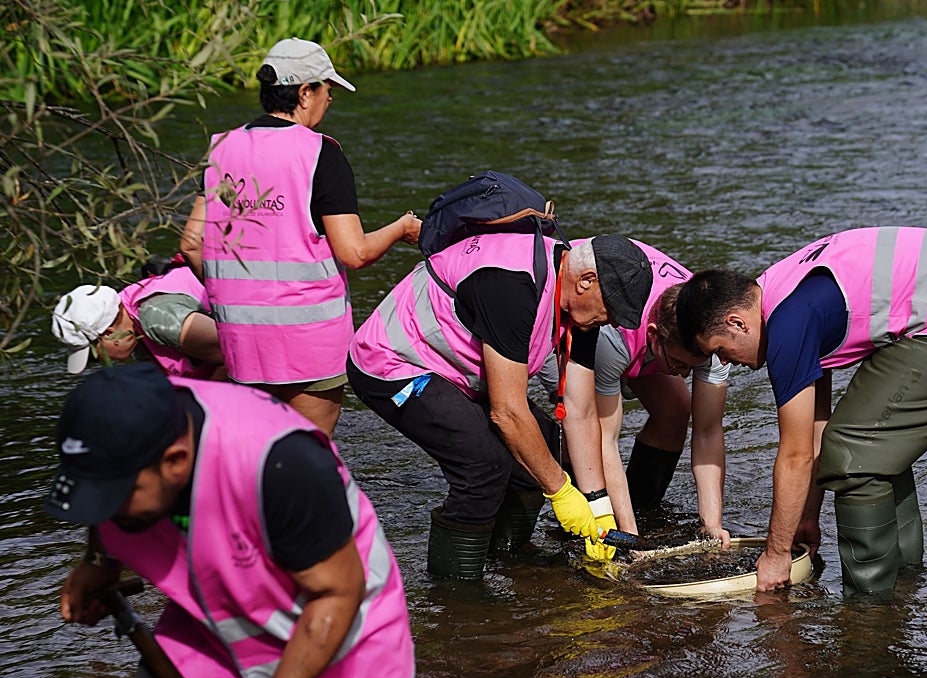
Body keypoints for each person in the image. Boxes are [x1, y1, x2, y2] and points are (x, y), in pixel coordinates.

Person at [46, 364, 448, 678]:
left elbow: (336, 595)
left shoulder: (281, 460)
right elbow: (100, 491)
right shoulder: (123, 424)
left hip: (342, 636)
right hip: (210, 631)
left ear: (175, 461)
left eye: (115, 498)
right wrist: (100, 562)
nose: (105, 510)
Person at [675, 226, 927, 595]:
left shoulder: (788, 325)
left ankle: (870, 611)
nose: (727, 362)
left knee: (853, 451)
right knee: (873, 442)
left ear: (736, 322)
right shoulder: (779, 292)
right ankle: (904, 581)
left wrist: (777, 554)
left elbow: (794, 456)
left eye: (719, 349)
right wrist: (807, 515)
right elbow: (814, 431)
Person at [347, 231, 653, 581]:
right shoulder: (512, 286)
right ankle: (457, 592)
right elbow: (507, 412)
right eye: (613, 311)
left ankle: (507, 560)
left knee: (542, 443)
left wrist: (599, 508)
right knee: (484, 464)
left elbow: (580, 412)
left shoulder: (581, 310)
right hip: (396, 363)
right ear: (586, 281)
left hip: (461, 370)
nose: (613, 323)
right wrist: (561, 490)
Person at [179, 37, 422, 437]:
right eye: (328, 90)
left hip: (241, 341)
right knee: (308, 463)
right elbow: (355, 253)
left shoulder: (220, 148)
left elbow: (191, 243)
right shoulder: (320, 153)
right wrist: (401, 229)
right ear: (305, 92)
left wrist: (236, 295)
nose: (330, 101)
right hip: (309, 347)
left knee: (254, 461)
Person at [545, 241, 732, 543]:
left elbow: (708, 431)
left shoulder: (713, 338)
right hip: (589, 323)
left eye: (692, 367)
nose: (684, 374)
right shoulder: (612, 339)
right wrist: (629, 535)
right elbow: (604, 440)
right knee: (582, 430)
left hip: (642, 341)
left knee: (676, 407)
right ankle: (579, 532)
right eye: (679, 364)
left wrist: (711, 523)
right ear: (655, 337)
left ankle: (644, 508)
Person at [51, 257, 224, 379]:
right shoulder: (134, 326)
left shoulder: (158, 319)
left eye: (94, 355)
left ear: (110, 333)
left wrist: (201, 405)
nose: (103, 361)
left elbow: (238, 355)